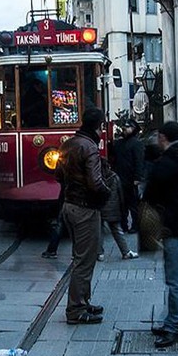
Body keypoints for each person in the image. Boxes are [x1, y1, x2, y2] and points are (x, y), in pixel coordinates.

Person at [143, 121, 178, 348]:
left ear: (162, 137)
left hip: (176, 225)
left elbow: (151, 190)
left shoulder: (171, 160)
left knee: (176, 278)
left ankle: (175, 324)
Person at [56, 106, 110, 325]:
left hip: (69, 204)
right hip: (85, 208)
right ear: (98, 125)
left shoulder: (69, 143)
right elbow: (95, 182)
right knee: (84, 260)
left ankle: (83, 301)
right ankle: (76, 309)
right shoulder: (90, 147)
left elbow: (57, 174)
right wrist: (108, 193)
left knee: (82, 257)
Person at [99, 158, 138, 261]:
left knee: (99, 231)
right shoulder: (114, 177)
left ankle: (99, 253)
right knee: (117, 230)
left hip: (100, 208)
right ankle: (125, 252)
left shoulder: (96, 178)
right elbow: (120, 194)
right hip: (113, 209)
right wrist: (122, 209)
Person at [112, 120, 145, 234]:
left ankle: (135, 225)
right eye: (124, 127)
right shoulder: (119, 143)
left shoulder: (136, 143)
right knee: (122, 204)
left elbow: (139, 161)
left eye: (128, 127)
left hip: (131, 179)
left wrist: (137, 177)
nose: (125, 129)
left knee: (133, 204)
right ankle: (124, 225)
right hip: (120, 177)